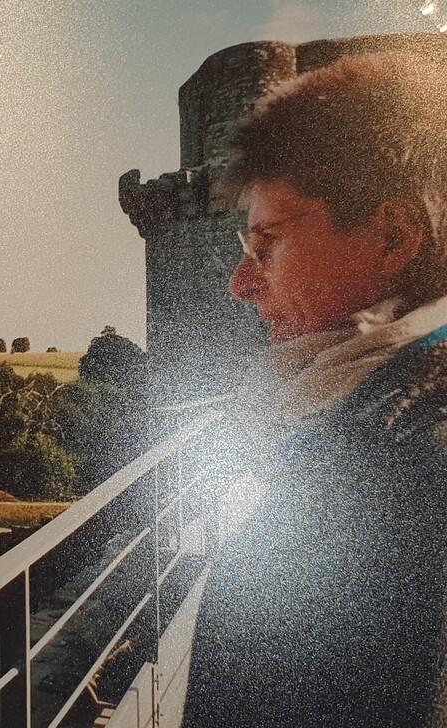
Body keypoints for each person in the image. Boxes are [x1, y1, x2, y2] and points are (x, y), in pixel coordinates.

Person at [181, 52, 447, 727]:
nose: (240, 285)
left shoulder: (401, 469)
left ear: (393, 238)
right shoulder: (364, 423)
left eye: (266, 244)